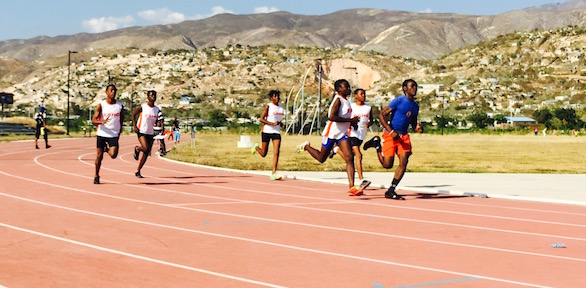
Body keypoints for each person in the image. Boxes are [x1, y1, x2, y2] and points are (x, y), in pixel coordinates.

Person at [296, 79, 361, 195]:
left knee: (349, 157)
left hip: (342, 134)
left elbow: (346, 118)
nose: (349, 89)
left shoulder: (346, 102)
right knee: (322, 158)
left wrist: (353, 123)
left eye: (349, 87)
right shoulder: (338, 101)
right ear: (339, 89)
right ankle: (306, 147)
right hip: (331, 133)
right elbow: (332, 117)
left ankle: (352, 187)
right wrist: (350, 120)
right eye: (346, 87)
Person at [363, 79, 423, 200]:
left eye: (415, 87)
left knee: (404, 162)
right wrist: (391, 131)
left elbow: (412, 120)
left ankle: (391, 190)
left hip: (403, 136)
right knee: (387, 165)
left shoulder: (415, 106)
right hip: (391, 135)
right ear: (405, 88)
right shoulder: (398, 101)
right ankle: (377, 146)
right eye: (411, 86)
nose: (414, 89)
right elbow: (381, 115)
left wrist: (416, 126)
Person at [331, 88, 373, 189]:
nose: (363, 96)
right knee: (358, 154)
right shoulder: (352, 106)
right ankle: (361, 178)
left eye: (364, 94)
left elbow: (371, 119)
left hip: (361, 134)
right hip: (351, 132)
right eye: (361, 94)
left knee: (350, 157)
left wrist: (369, 123)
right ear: (355, 96)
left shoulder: (368, 107)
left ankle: (336, 150)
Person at [92, 84, 123, 184]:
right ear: (106, 92)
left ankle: (106, 148)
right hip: (102, 132)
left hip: (113, 133)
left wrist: (119, 130)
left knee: (113, 154)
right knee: (99, 156)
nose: (113, 92)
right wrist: (101, 122)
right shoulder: (102, 105)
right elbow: (93, 120)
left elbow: (121, 119)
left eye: (114, 90)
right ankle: (96, 175)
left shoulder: (119, 105)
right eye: (111, 90)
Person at [252, 90, 285, 180]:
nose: (277, 98)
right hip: (266, 131)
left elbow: (278, 120)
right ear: (271, 98)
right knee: (263, 153)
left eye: (278, 96)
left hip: (276, 132)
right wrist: (271, 123)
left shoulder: (281, 108)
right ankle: (256, 148)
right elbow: (261, 119)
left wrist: (281, 124)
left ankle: (273, 172)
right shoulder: (268, 106)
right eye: (275, 96)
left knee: (276, 152)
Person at [132, 90, 161, 178]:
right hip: (141, 131)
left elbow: (157, 120)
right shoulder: (143, 107)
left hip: (150, 132)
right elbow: (133, 114)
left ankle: (138, 170)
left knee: (147, 152)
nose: (153, 97)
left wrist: (159, 125)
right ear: (147, 97)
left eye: (154, 95)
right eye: (151, 95)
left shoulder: (157, 109)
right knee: (145, 147)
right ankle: (137, 149)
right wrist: (134, 126)